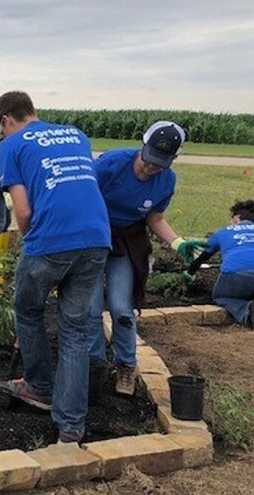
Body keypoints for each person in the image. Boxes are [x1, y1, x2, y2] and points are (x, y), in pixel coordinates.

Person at [0, 91, 111, 445]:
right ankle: (71, 427)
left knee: (27, 309)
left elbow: (23, 211)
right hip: (97, 237)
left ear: (7, 121)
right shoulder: (76, 134)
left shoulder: (9, 146)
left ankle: (39, 386)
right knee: (75, 331)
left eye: (1, 130)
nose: (2, 135)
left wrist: (32, 245)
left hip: (51, 239)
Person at [84, 121, 203, 396]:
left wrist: (176, 241)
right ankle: (95, 365)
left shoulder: (166, 181)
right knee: (90, 309)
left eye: (160, 163)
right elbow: (82, 197)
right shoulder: (110, 165)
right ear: (143, 144)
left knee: (121, 308)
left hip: (127, 241)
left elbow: (154, 217)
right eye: (149, 159)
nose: (151, 167)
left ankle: (126, 366)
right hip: (93, 235)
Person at [197, 200, 254, 327]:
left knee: (222, 296)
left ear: (237, 218)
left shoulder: (224, 231)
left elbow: (203, 256)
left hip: (236, 276)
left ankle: (248, 312)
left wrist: (189, 272)